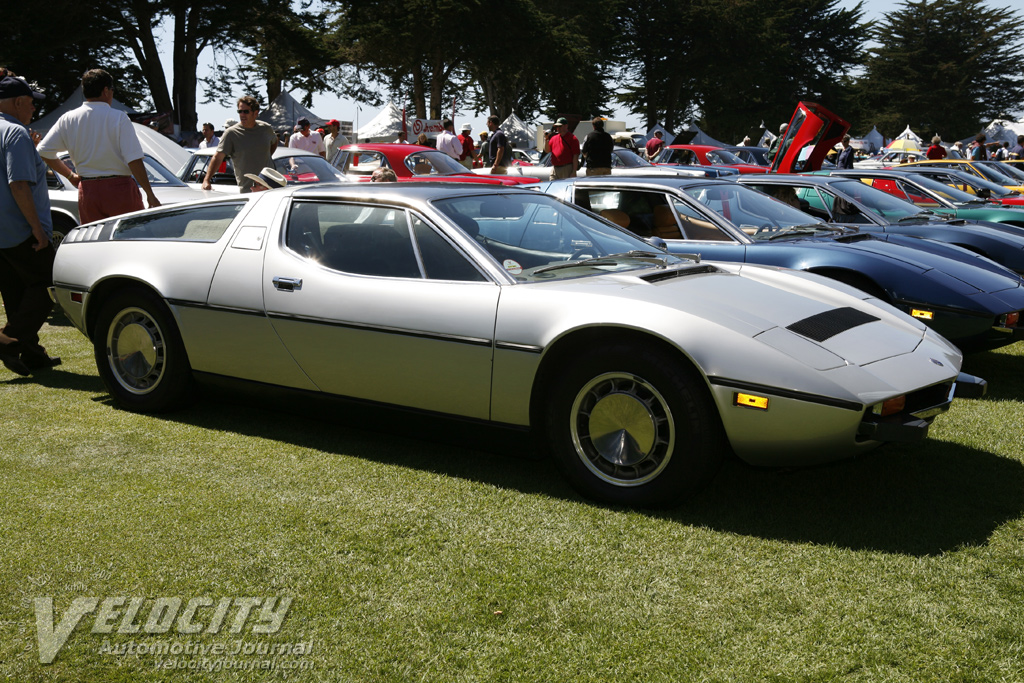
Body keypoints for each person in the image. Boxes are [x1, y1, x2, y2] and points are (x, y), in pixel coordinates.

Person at [37, 68, 160, 225]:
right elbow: (134, 159)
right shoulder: (119, 117)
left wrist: (70, 176)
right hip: (120, 189)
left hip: (88, 190)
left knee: (96, 244)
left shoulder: (68, 118)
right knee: (129, 241)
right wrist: (150, 193)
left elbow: (44, 151)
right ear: (106, 90)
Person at [0, 75, 61, 375]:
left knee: (16, 293)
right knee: (51, 283)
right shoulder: (15, 133)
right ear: (19, 102)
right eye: (32, 103)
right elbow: (19, 184)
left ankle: (31, 353)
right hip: (20, 229)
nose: (34, 110)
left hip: (2, 232)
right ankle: (7, 340)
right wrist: (37, 229)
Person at [201, 96, 277, 193]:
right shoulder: (231, 133)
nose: (242, 115)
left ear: (255, 113)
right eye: (240, 111)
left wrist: (267, 156)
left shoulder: (266, 128)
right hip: (248, 189)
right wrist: (206, 180)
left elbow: (274, 142)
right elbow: (218, 157)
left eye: (246, 111)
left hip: (270, 187)